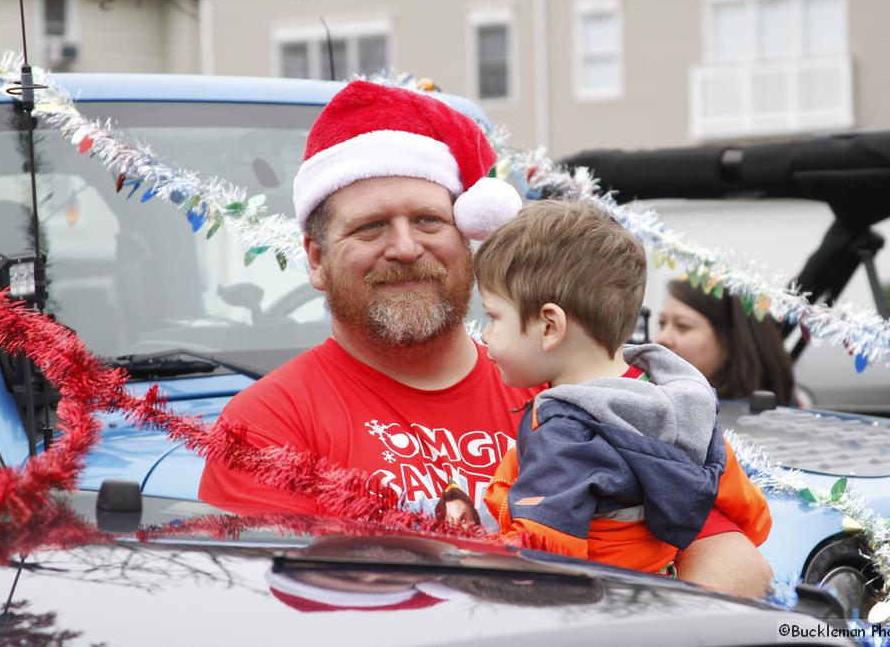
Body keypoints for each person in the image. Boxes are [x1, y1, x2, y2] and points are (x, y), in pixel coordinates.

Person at [198, 79, 773, 597]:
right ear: (317, 259)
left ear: (469, 236)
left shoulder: (576, 387)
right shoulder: (267, 427)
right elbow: (261, 613)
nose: (404, 247)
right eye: (371, 226)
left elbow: (730, 555)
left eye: (429, 221)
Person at [474, 200, 771, 576]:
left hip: (596, 610)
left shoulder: (568, 434)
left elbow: (542, 554)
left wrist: (469, 558)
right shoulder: (680, 401)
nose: (485, 335)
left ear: (550, 326)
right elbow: (750, 512)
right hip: (661, 586)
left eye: (493, 317)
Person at [656, 279, 796, 406]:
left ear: (729, 339)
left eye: (682, 326)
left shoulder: (750, 422)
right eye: (662, 324)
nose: (661, 338)